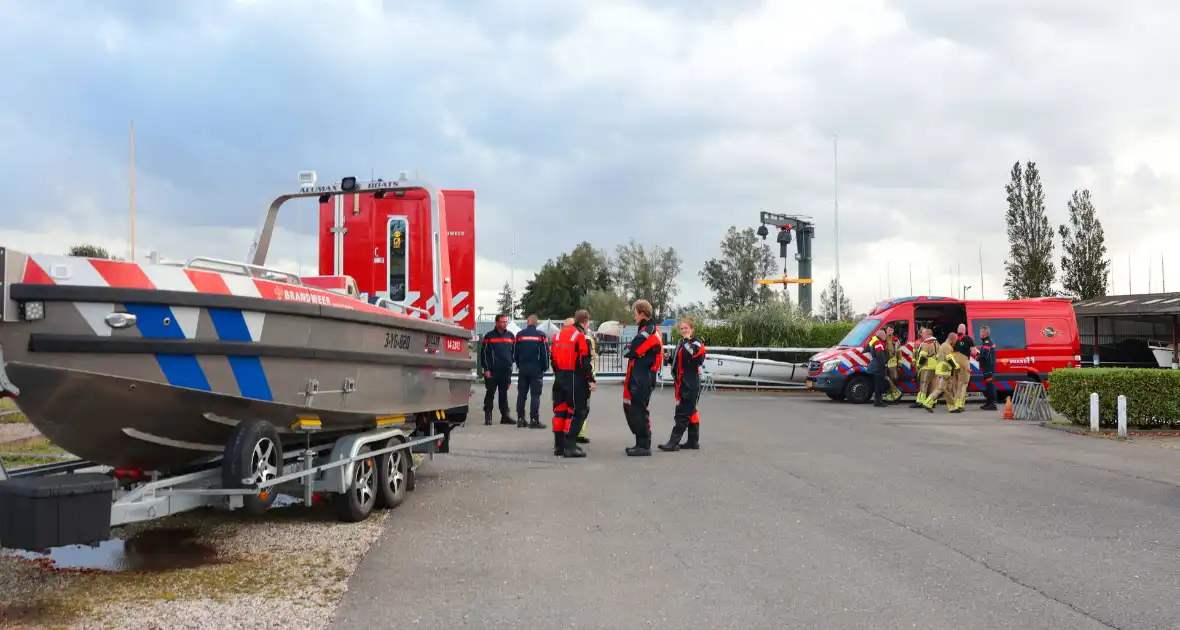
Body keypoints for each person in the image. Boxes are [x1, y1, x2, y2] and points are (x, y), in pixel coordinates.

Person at [549, 310, 596, 458]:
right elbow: (584, 360)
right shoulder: (581, 336)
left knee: (560, 411)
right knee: (578, 411)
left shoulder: (557, 336)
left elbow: (553, 359)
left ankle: (559, 445)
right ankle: (570, 445)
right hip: (575, 377)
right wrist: (590, 379)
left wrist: (558, 374)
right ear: (586, 322)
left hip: (560, 377)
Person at [658, 317, 706, 451]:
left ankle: (673, 442)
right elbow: (680, 360)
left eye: (686, 328)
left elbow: (693, 355)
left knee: (683, 412)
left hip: (691, 381)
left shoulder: (696, 342)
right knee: (691, 410)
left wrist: (686, 341)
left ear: (692, 329)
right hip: (683, 381)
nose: (684, 331)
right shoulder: (682, 342)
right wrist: (669, 359)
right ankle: (693, 441)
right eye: (682, 328)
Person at [622, 299, 663, 456]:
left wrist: (631, 349)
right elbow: (631, 349)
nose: (634, 316)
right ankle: (640, 443)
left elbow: (632, 350)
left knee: (639, 410)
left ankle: (644, 445)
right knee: (636, 409)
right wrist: (631, 349)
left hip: (643, 376)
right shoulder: (646, 329)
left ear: (641, 313)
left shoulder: (650, 330)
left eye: (635, 313)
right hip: (641, 375)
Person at [512, 315, 549, 429]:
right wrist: (544, 367)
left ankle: (520, 419)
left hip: (523, 369)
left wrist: (519, 365)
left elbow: (515, 353)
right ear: (536, 323)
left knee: (522, 395)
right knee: (535, 395)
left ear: (527, 322)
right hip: (536, 370)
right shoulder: (541, 336)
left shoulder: (519, 335)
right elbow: (545, 354)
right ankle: (534, 420)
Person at [479, 314, 516, 425]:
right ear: (496, 323)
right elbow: (483, 354)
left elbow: (514, 351)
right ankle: (488, 415)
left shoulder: (511, 336)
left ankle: (505, 416)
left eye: (506, 322)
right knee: (490, 392)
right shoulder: (489, 336)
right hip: (492, 370)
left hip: (505, 370)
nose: (505, 324)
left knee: (503, 393)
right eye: (502, 321)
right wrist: (486, 368)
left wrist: (511, 361)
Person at [922, 331, 959, 412]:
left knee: (947, 390)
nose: (956, 341)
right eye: (956, 339)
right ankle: (927, 402)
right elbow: (950, 358)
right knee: (940, 388)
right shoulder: (947, 347)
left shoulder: (943, 345)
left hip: (942, 370)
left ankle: (952, 407)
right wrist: (957, 366)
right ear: (953, 339)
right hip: (944, 371)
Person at [576, 323, 598, 444]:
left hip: (569, 379)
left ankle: (577, 433)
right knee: (582, 407)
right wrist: (591, 379)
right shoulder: (586, 339)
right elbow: (588, 361)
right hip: (583, 379)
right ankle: (576, 434)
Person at [910, 327, 939, 409]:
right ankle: (932, 402)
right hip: (935, 367)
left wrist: (918, 365)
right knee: (933, 386)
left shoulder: (926, 343)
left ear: (927, 334)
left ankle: (920, 401)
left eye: (923, 333)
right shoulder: (936, 343)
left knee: (923, 384)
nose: (921, 335)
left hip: (927, 367)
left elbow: (922, 356)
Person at [951, 323, 975, 413]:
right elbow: (973, 352)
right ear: (965, 330)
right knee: (963, 384)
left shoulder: (953, 338)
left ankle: (954, 404)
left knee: (955, 384)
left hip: (954, 362)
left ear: (958, 329)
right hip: (964, 362)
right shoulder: (968, 339)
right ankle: (960, 404)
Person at [865, 331, 889, 408]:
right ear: (881, 335)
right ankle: (878, 401)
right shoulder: (878, 343)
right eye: (884, 335)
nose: (885, 336)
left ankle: (878, 400)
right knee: (879, 384)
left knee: (878, 384)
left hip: (876, 367)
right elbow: (880, 355)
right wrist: (884, 364)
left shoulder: (875, 342)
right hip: (878, 367)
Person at [977, 325, 997, 411]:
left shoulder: (986, 342)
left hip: (988, 367)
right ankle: (989, 403)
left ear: (985, 333)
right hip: (988, 367)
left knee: (989, 385)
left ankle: (992, 404)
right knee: (988, 385)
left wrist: (978, 357)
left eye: (981, 332)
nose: (980, 334)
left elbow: (984, 354)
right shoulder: (988, 341)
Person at [883, 325, 903, 403]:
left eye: (892, 330)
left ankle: (894, 397)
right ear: (886, 330)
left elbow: (899, 352)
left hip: (893, 364)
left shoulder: (896, 340)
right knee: (887, 381)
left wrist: (900, 364)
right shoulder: (883, 339)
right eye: (889, 330)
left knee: (894, 380)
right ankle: (891, 397)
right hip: (885, 362)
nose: (891, 331)